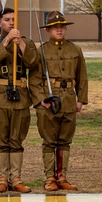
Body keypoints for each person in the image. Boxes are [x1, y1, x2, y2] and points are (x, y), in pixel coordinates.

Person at [0, 7, 43, 193]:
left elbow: (33, 62)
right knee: (1, 139)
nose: (11, 23)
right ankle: (2, 178)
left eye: (13, 20)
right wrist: (8, 40)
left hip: (20, 96)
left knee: (17, 138)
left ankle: (16, 178)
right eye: (7, 20)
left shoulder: (26, 42)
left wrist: (21, 45)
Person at [36, 11, 88, 191]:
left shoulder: (75, 50)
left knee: (65, 141)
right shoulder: (41, 50)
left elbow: (82, 77)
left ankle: (61, 176)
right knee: (49, 141)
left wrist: (81, 99)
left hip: (68, 99)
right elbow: (35, 79)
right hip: (50, 100)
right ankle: (49, 177)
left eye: (62, 27)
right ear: (48, 30)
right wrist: (41, 100)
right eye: (55, 27)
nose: (59, 30)